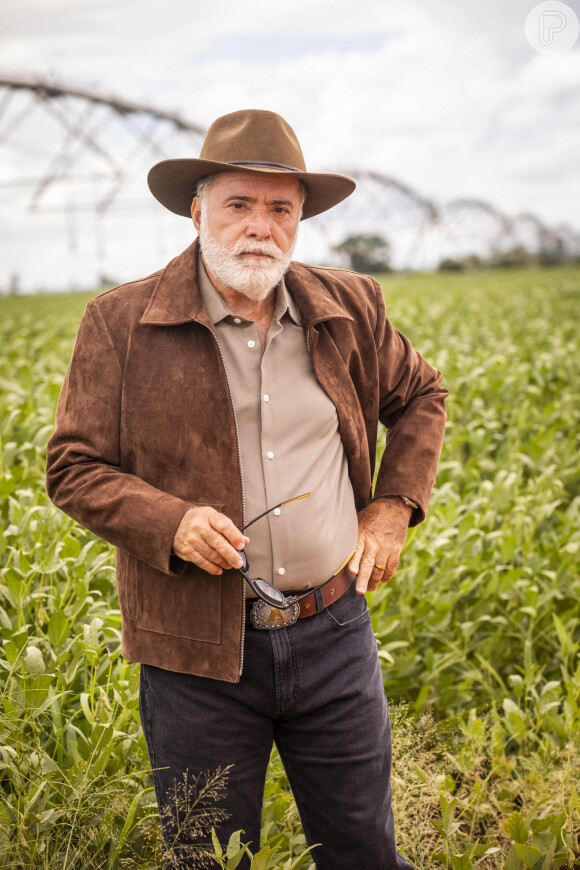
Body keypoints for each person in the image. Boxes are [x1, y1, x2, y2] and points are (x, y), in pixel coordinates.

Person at [46, 108, 448, 870]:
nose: (260, 226)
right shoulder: (120, 324)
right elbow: (73, 465)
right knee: (210, 858)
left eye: (280, 209)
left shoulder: (349, 308)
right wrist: (169, 522)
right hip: (194, 650)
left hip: (333, 633)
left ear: (298, 221)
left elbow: (424, 394)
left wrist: (394, 507)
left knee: (363, 849)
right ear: (197, 211)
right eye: (239, 204)